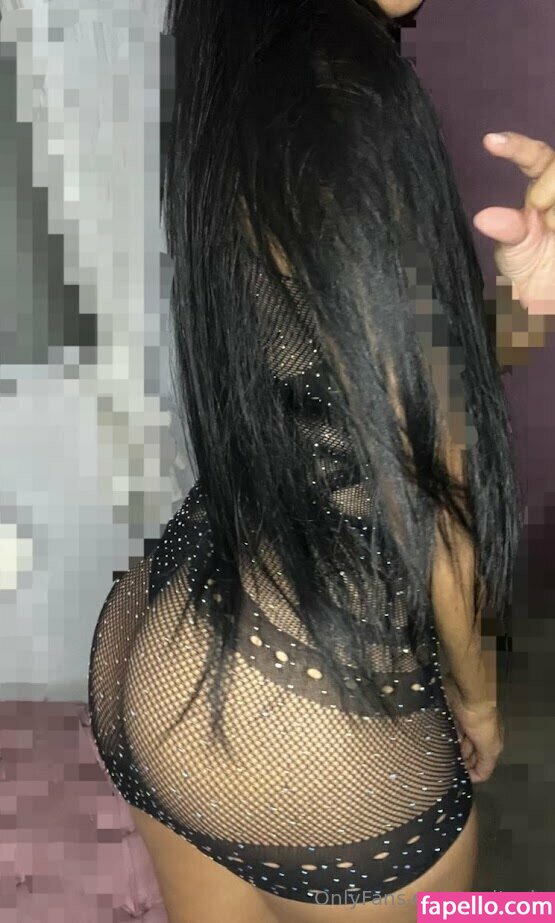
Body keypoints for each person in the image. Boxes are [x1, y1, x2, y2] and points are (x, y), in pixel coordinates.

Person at [88, 1, 555, 921]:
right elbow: (423, 475)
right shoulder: (341, 86)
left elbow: (354, 389)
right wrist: (478, 698)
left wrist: (526, 309)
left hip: (164, 622)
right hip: (298, 695)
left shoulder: (245, 70)